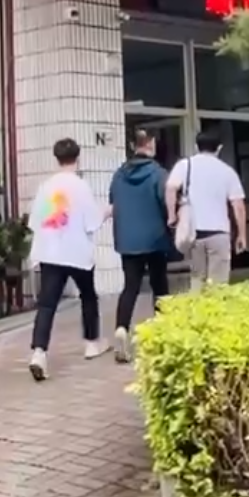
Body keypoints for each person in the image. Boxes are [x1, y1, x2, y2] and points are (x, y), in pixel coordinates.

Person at [27, 138, 109, 381]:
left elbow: (36, 222)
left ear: (56, 158)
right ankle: (92, 342)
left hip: (50, 252)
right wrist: (107, 212)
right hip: (76, 252)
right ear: (77, 158)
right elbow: (92, 222)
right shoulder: (80, 187)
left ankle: (39, 352)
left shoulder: (46, 187)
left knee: (47, 304)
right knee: (88, 296)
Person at [108, 130, 172, 363]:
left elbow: (113, 202)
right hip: (155, 238)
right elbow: (166, 202)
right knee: (159, 285)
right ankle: (162, 335)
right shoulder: (158, 173)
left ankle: (121, 329)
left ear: (132, 145)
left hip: (128, 240)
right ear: (151, 144)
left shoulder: (118, 175)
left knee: (130, 287)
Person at [165, 129, 247, 291]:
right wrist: (242, 235)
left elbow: (170, 188)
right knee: (219, 285)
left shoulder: (185, 165)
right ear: (219, 148)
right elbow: (238, 206)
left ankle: (197, 306)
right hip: (219, 233)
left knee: (197, 280)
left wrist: (172, 216)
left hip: (194, 234)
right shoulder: (227, 171)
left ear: (196, 146)